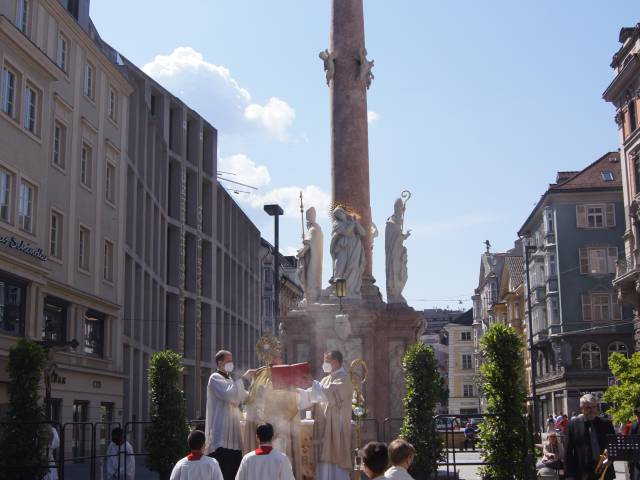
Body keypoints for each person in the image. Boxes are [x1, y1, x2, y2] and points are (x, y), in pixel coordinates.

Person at [299, 350, 353, 480]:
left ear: (335, 362)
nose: (324, 364)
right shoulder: (325, 379)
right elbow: (311, 395)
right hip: (325, 428)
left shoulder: (344, 379)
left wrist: (313, 382)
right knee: (324, 465)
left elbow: (329, 395)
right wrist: (293, 391)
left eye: (326, 361)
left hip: (337, 428)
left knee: (336, 465)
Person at [205, 349, 254, 480]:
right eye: (229, 361)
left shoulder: (230, 379)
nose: (231, 363)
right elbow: (229, 394)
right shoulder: (215, 378)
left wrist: (257, 387)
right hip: (221, 433)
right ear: (220, 363)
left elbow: (240, 398)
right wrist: (244, 378)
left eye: (232, 361)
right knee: (223, 472)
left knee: (234, 471)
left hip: (234, 434)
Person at [564, 394, 616, 480]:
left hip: (604, 471)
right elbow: (568, 452)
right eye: (588, 408)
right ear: (581, 409)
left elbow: (613, 446)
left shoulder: (606, 424)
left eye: (594, 407)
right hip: (582, 473)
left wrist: (610, 460)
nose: (592, 410)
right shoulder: (573, 425)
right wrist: (569, 475)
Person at [628, 408, 640, 480]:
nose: (638, 417)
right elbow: (630, 441)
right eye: (637, 415)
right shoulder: (634, 426)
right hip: (636, 459)